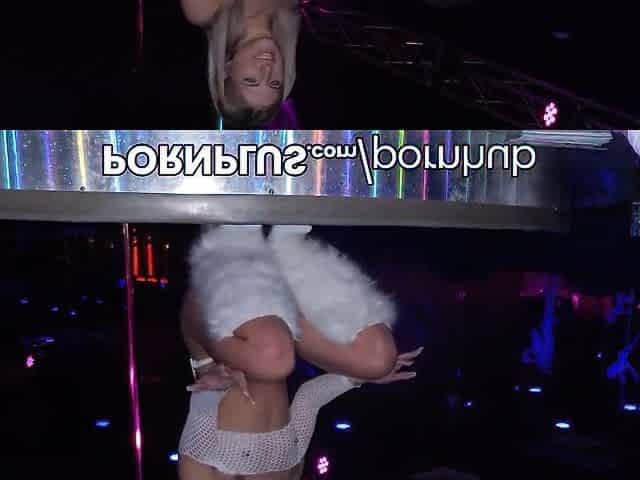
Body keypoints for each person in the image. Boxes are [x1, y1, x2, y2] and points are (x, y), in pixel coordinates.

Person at [178, 224, 422, 479]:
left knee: (272, 358)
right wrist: (357, 378)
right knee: (377, 360)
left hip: (216, 335)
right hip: (273, 325)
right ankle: (285, 249)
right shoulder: (291, 473)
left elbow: (201, 415)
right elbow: (307, 399)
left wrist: (215, 384)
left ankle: (234, 241)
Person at [180, 0, 300, 128]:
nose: (267, 70)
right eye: (275, 83)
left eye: (251, 80)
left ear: (227, 70)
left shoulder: (203, 10)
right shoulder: (296, 15)